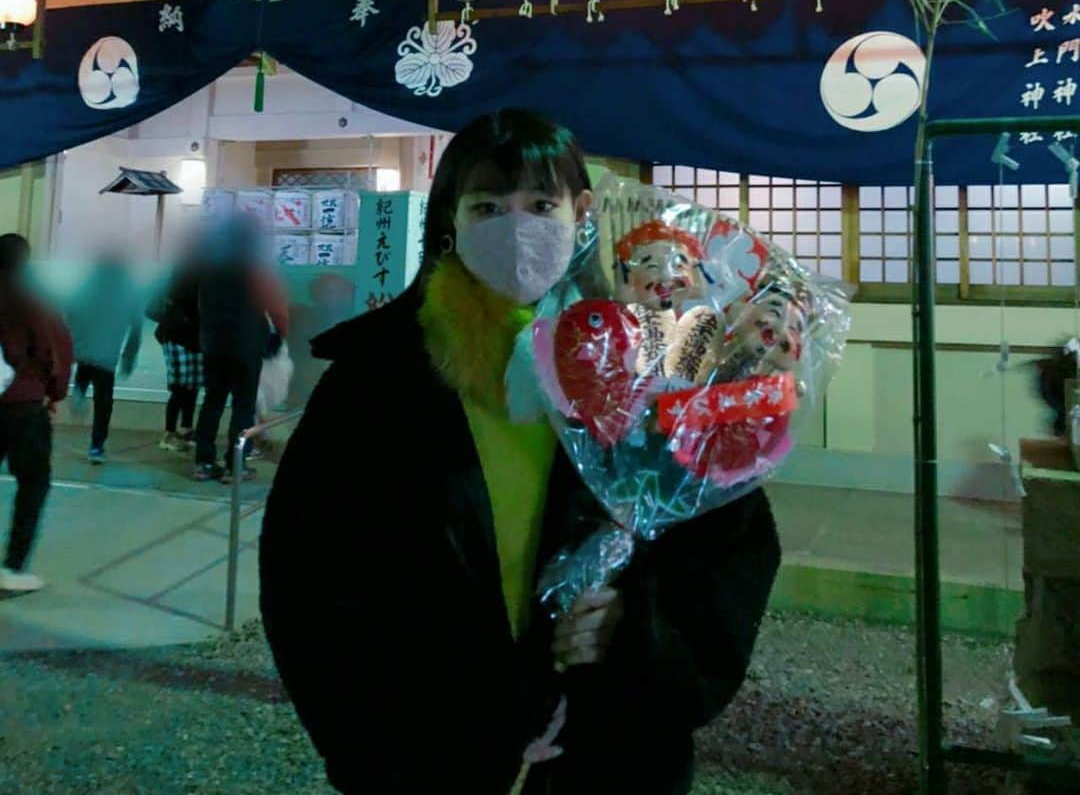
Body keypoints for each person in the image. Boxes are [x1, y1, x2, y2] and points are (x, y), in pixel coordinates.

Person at [259, 110, 781, 795]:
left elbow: (725, 548)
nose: (517, 227)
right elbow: (309, 582)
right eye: (488, 207)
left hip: (608, 758)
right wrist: (391, 744)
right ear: (450, 218)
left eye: (541, 204)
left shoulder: (658, 366)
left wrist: (636, 633)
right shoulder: (380, 379)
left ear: (582, 212)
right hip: (436, 760)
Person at [191, 215, 289, 482]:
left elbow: (198, 305)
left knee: (212, 403)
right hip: (246, 345)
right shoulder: (255, 266)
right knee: (243, 406)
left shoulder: (210, 266)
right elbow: (277, 305)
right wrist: (279, 332)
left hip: (213, 344)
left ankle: (203, 463)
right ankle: (236, 466)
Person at [0, 233, 72, 594]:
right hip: (22, 406)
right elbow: (55, 349)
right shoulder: (33, 300)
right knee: (33, 483)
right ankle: (11, 568)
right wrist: (54, 393)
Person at [67, 252, 143, 464]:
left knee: (84, 370)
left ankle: (79, 390)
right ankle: (97, 446)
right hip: (106, 356)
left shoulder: (86, 287)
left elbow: (70, 312)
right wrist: (129, 355)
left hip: (84, 350)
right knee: (104, 402)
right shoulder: (127, 293)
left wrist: (71, 342)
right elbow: (136, 327)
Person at [147, 260, 202, 453]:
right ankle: (169, 434)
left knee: (192, 385)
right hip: (176, 336)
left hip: (194, 338)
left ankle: (186, 428)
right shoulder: (181, 273)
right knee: (180, 387)